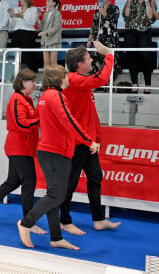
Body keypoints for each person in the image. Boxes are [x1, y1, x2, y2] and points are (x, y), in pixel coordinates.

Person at [17, 65, 99, 250]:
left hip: (51, 151)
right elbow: (69, 121)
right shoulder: (56, 96)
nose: (69, 77)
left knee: (54, 194)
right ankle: (26, 223)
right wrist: (88, 141)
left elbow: (44, 118)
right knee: (57, 195)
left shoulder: (46, 96)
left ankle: (56, 237)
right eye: (65, 74)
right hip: (55, 152)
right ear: (58, 78)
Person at [60, 43, 121, 235]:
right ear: (80, 65)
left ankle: (98, 219)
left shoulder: (80, 81)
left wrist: (97, 137)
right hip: (76, 141)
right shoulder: (73, 79)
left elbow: (91, 114)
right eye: (89, 59)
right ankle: (64, 220)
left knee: (95, 177)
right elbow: (102, 78)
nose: (92, 61)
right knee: (70, 182)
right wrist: (109, 55)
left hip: (88, 142)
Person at [0, 69, 45, 233]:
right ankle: (28, 222)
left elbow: (31, 119)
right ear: (23, 83)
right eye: (32, 81)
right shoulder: (17, 99)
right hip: (18, 147)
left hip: (24, 147)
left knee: (13, 182)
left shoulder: (27, 99)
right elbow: (21, 123)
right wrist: (40, 119)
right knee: (29, 183)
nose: (34, 84)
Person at [123, 0, 157, 94]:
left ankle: (148, 83)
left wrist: (147, 2)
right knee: (131, 57)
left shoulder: (151, 1)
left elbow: (151, 18)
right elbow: (126, 17)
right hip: (131, 31)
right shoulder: (131, 0)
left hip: (145, 32)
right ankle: (134, 83)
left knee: (146, 56)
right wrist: (128, 3)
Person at [88, 0, 120, 75]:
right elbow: (94, 26)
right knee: (95, 59)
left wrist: (104, 13)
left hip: (109, 38)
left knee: (108, 59)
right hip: (98, 38)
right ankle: (97, 83)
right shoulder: (97, 11)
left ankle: (108, 84)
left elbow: (113, 23)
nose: (100, 0)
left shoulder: (114, 9)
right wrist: (89, 39)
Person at [8, 0, 39, 71]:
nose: (21, 0)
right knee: (16, 55)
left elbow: (32, 22)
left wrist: (22, 16)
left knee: (28, 55)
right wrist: (11, 16)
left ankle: (29, 73)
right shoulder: (16, 9)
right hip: (17, 33)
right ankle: (15, 72)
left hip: (28, 33)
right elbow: (12, 24)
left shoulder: (33, 9)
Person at [37, 0, 62, 68]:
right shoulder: (45, 14)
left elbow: (56, 27)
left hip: (53, 39)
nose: (46, 3)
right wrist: (38, 18)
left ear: (54, 3)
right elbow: (42, 27)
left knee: (53, 62)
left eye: (48, 1)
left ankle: (54, 79)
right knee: (46, 63)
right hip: (45, 40)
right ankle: (46, 79)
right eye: (46, 1)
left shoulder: (57, 13)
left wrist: (46, 32)